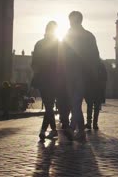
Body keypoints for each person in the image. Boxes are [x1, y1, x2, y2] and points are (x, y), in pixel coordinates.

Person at [63, 11, 100, 141]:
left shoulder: (87, 36)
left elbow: (95, 58)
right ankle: (81, 132)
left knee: (76, 101)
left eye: (72, 21)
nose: (71, 23)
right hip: (70, 73)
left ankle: (72, 128)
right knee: (76, 104)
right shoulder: (70, 35)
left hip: (82, 74)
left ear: (79, 21)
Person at [32, 21, 61, 141]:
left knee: (48, 105)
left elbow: (34, 63)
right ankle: (50, 130)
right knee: (49, 106)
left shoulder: (39, 44)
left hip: (42, 78)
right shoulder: (58, 45)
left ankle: (46, 131)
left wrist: (37, 73)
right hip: (54, 79)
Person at [85, 61, 107, 130]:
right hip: (96, 90)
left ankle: (91, 123)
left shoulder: (90, 65)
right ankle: (94, 123)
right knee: (94, 108)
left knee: (91, 107)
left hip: (93, 90)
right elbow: (105, 79)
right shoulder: (101, 65)